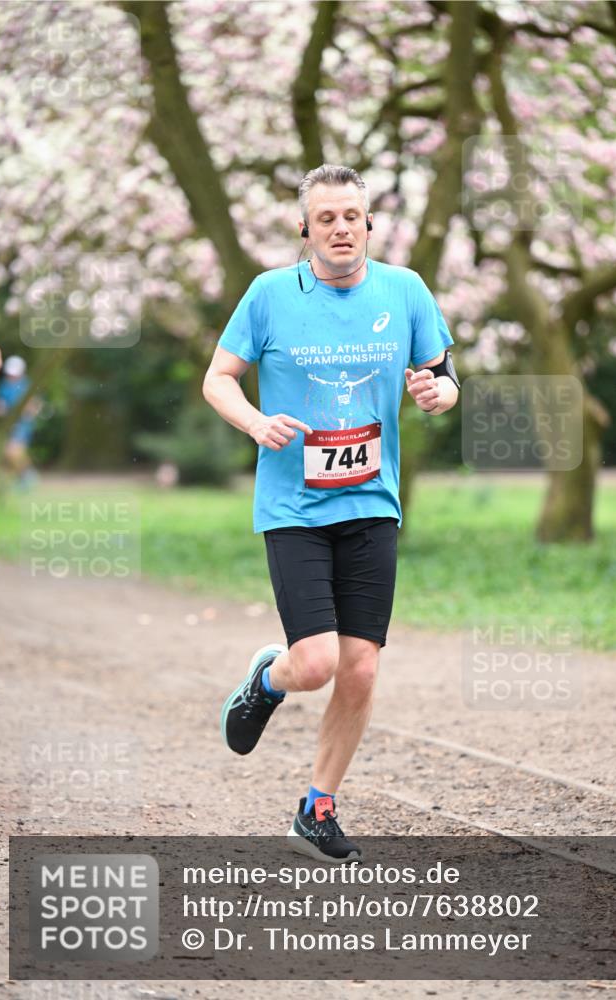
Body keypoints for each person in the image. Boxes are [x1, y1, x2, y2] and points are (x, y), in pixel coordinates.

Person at [203, 164, 459, 864]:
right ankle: (265, 681)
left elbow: (442, 376)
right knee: (314, 664)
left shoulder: (404, 291)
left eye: (351, 215)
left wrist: (438, 394)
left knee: (362, 668)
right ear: (305, 229)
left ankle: (317, 808)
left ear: (367, 223)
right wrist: (255, 423)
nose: (340, 228)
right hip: (293, 505)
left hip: (372, 502)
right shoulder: (267, 296)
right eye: (326, 218)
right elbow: (217, 378)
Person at [0, 354, 42, 486]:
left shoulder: (26, 385)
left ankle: (28, 478)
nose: (11, 376)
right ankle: (22, 478)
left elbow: (35, 406)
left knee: (14, 451)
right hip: (8, 424)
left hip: (22, 424)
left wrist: (29, 411)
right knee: (8, 453)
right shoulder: (4, 385)